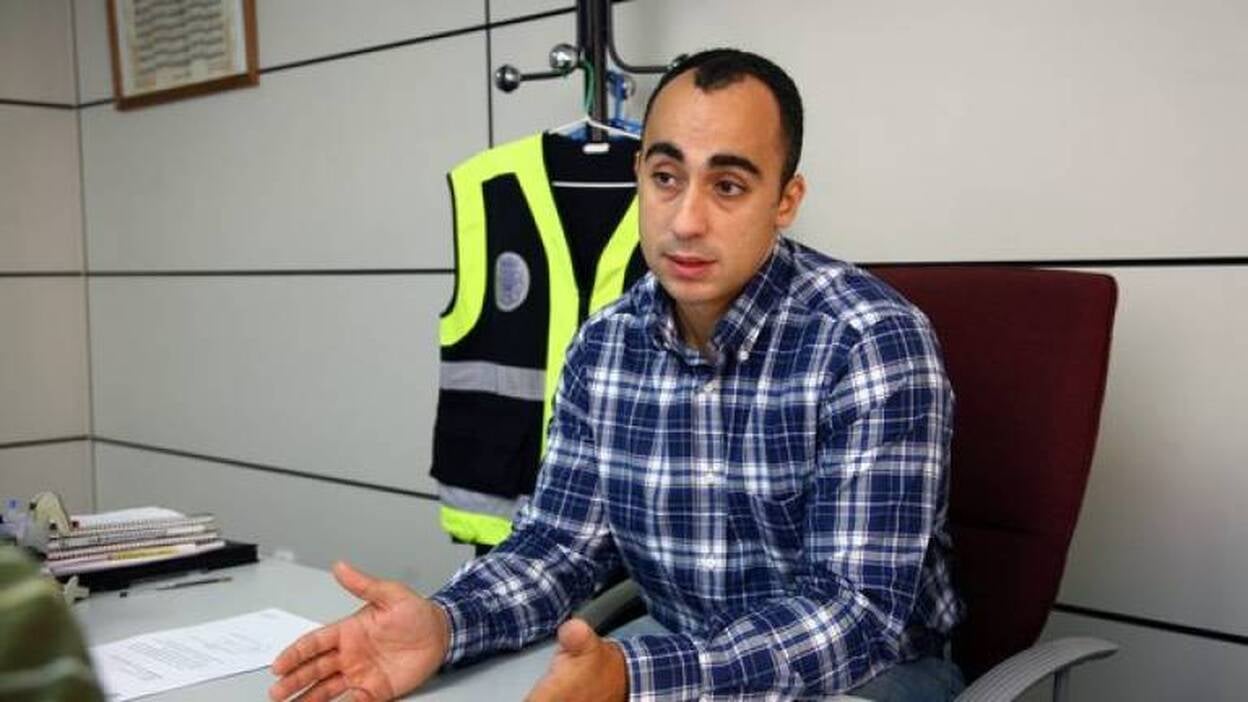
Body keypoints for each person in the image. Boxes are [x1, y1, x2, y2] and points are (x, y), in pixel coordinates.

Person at [269, 48, 964, 701]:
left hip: (865, 678)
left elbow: (853, 614)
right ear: (639, 176)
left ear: (785, 200)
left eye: (728, 186)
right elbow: (557, 548)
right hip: (673, 652)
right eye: (666, 178)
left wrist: (637, 675)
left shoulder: (868, 341)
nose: (686, 220)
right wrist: (446, 626)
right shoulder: (604, 344)